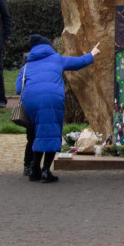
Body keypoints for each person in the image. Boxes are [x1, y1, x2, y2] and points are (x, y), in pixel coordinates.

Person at [17, 34, 99, 183]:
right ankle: (45, 171)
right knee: (51, 134)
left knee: (37, 134)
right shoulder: (56, 59)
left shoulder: (26, 66)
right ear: (48, 46)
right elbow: (77, 63)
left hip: (31, 101)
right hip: (52, 99)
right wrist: (92, 54)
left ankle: (34, 169)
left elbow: (18, 89)